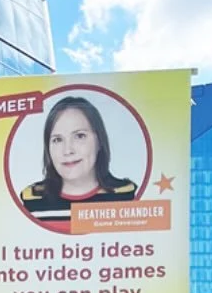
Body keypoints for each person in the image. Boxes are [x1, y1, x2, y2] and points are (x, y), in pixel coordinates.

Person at [20, 96, 138, 228]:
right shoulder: (32, 200)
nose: (68, 150)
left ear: (99, 141)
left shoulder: (125, 195)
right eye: (57, 140)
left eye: (79, 136)